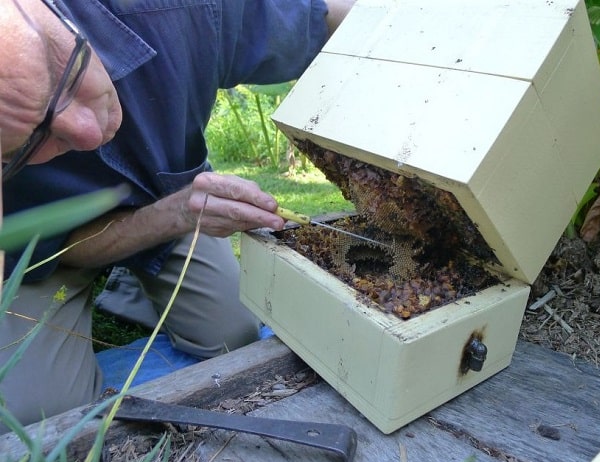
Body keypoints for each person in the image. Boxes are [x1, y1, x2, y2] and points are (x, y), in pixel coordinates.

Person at [0, 0, 355, 430]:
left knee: (233, 336)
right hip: (50, 250)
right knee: (37, 414)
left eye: (65, 77)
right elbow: (40, 247)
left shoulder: (179, 9)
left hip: (177, 204)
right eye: (23, 146)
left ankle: (129, 282)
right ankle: (115, 277)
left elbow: (324, 17)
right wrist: (173, 215)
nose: (89, 134)